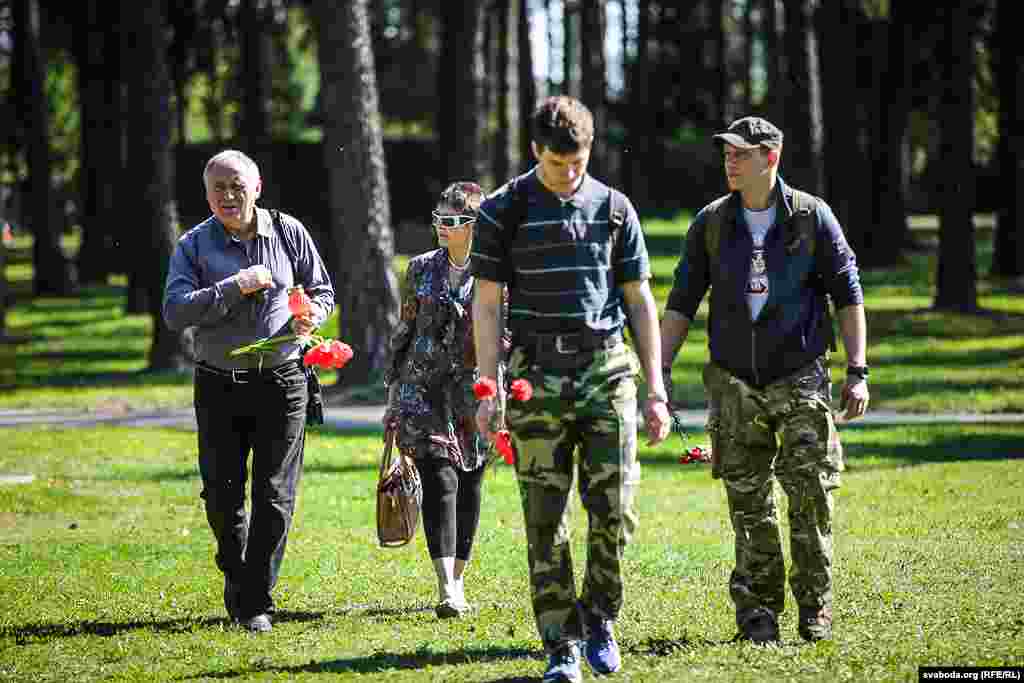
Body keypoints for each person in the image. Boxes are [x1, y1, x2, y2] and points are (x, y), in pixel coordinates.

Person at [472, 95, 671, 682]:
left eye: (579, 162)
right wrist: (489, 387)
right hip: (535, 376)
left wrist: (656, 388)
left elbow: (639, 299)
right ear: (536, 152)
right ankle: (560, 642)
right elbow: (487, 305)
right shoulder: (504, 210)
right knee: (544, 516)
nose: (570, 174)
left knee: (615, 510)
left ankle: (601, 618)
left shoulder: (614, 208)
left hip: (607, 373)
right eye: (559, 164)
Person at [659, 116, 870, 645]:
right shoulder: (711, 222)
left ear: (769, 158)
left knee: (810, 497)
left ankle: (815, 604)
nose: (729, 161)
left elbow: (848, 293)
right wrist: (658, 372)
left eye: (740, 153)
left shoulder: (811, 217)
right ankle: (757, 611)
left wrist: (858, 370)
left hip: (800, 376)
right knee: (748, 502)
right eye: (726, 153)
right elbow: (682, 301)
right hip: (732, 382)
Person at [163, 150, 334, 633]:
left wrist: (312, 315)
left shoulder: (287, 231)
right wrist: (233, 286)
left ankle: (255, 598)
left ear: (257, 186)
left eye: (237, 185)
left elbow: (321, 289)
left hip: (282, 381)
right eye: (218, 188)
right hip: (219, 384)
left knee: (276, 495)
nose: (228, 196)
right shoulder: (194, 246)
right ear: (206, 194)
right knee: (222, 495)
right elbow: (175, 312)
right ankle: (238, 577)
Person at [384, 181, 496, 619]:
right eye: (439, 219)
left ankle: (460, 577)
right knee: (439, 480)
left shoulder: (494, 272)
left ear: (475, 225)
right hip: (422, 388)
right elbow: (405, 330)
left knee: (470, 482)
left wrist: (502, 386)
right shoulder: (419, 269)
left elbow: (505, 331)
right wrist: (393, 393)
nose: (443, 227)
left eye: (453, 221)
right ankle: (446, 585)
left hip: (475, 392)